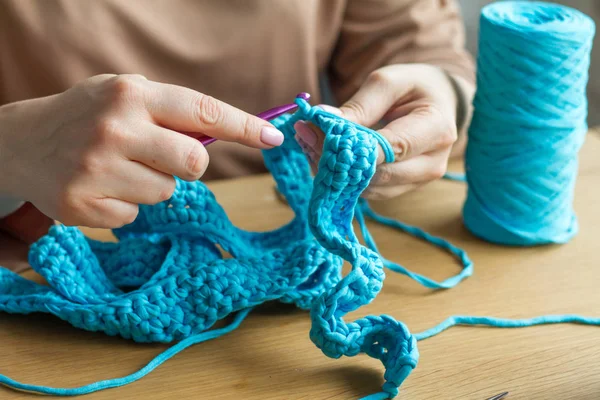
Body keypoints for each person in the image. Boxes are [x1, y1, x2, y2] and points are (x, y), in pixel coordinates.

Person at [0, 0, 475, 272]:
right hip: (32, 243)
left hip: (288, 235)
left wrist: (442, 91)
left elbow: (418, 44)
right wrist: (11, 144)